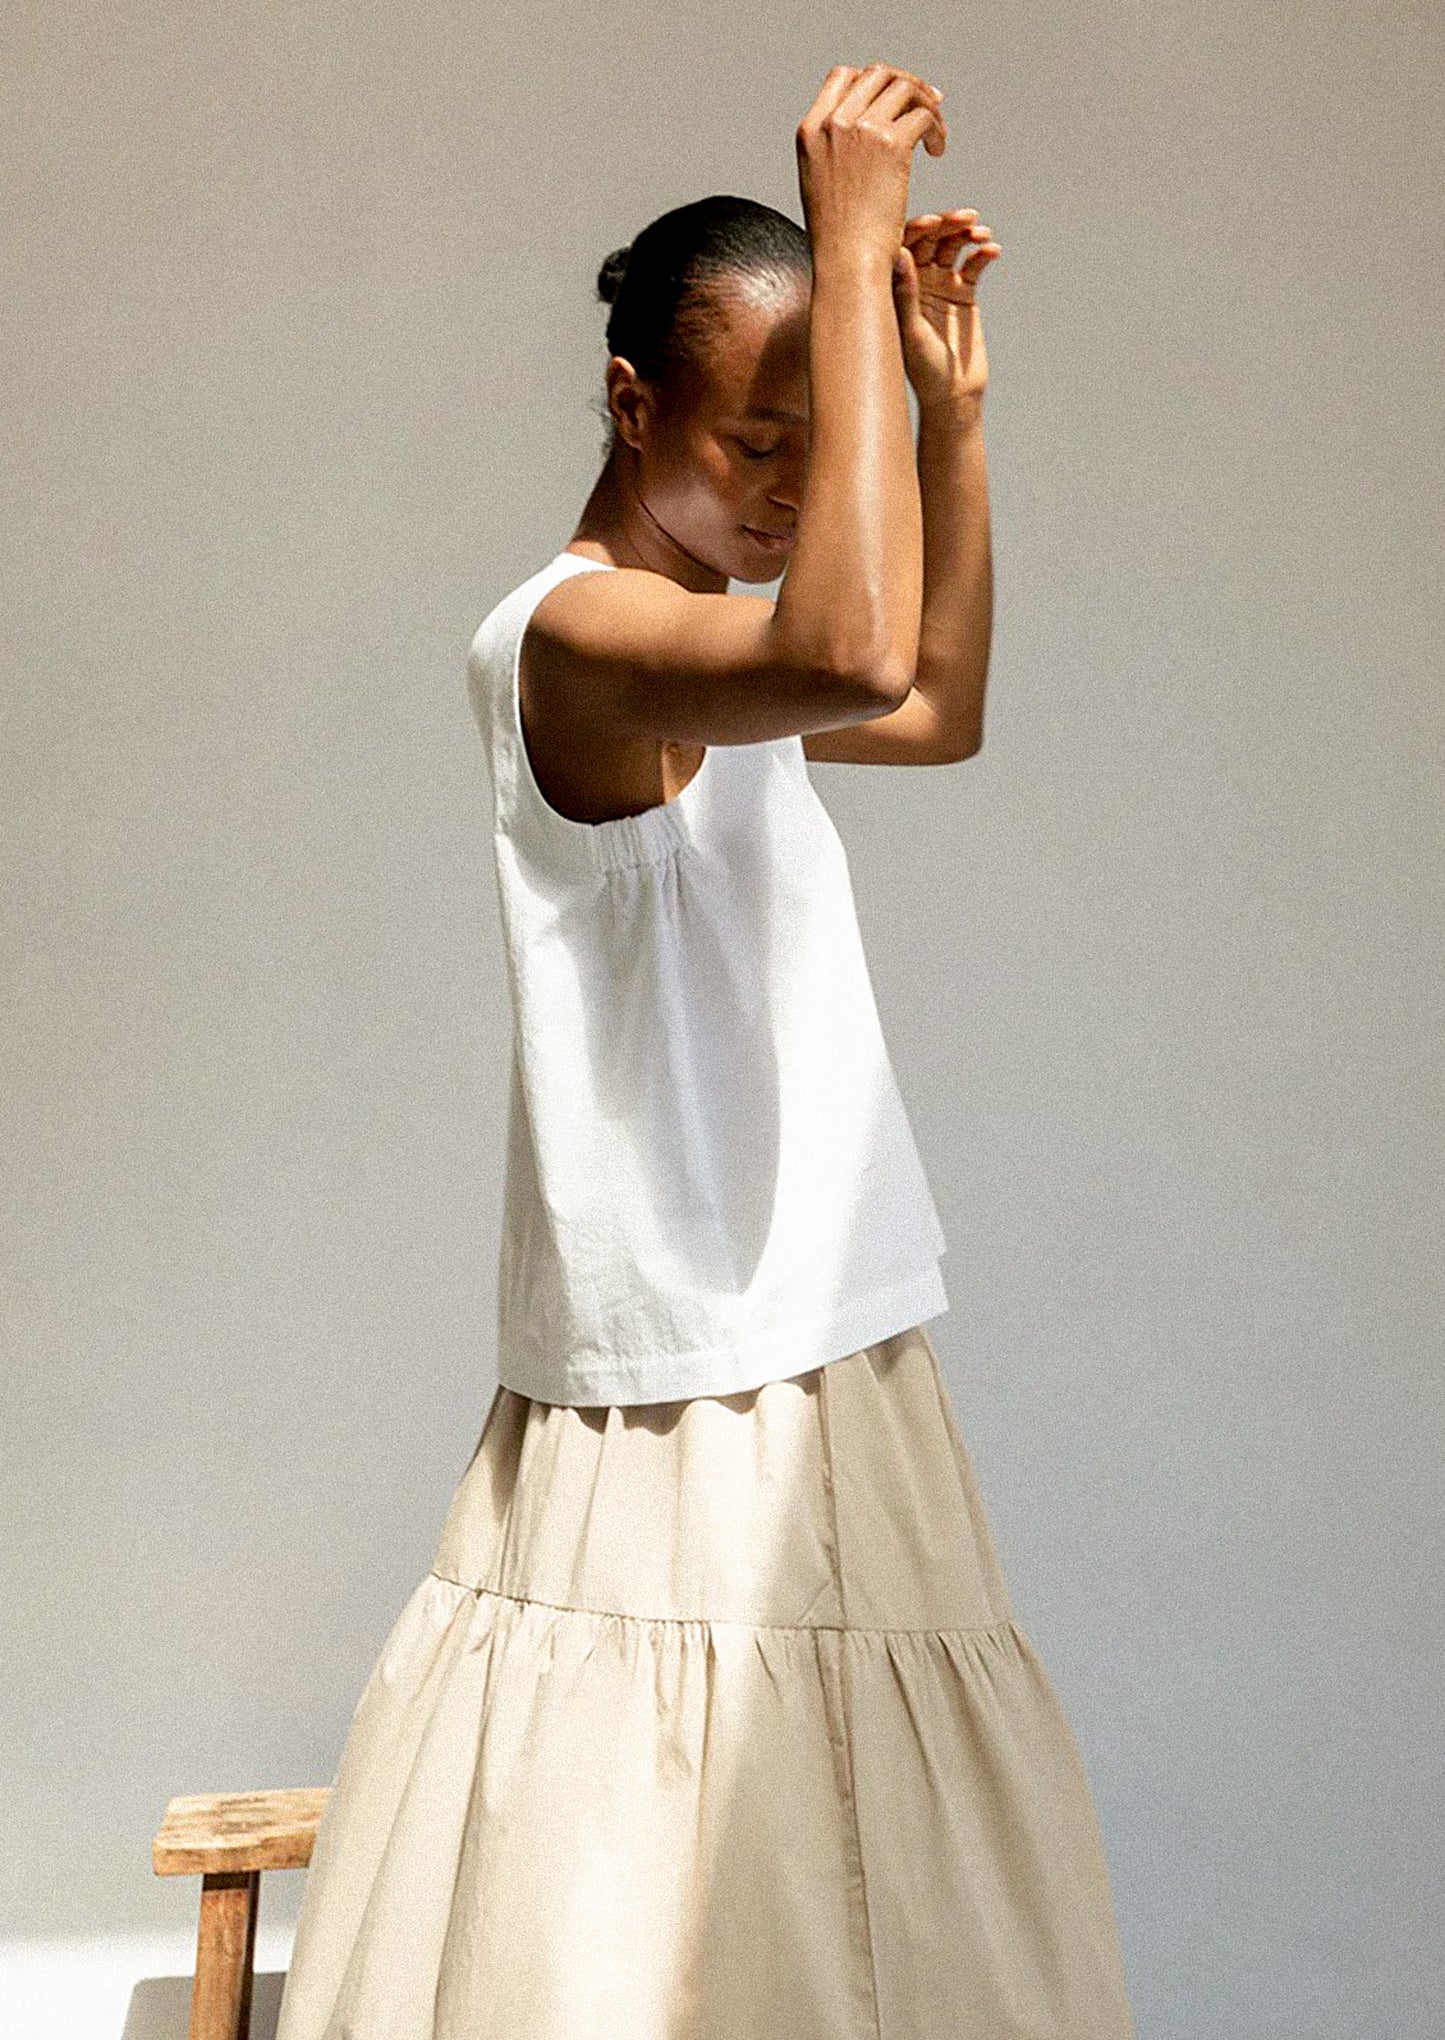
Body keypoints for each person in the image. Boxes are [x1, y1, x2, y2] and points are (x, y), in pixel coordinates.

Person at [275, 62, 1135, 2040]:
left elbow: (925, 704)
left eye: (814, 454)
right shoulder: (570, 644)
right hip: (684, 1367)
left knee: (842, 1868)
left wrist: (948, 409)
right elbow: (850, 648)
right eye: (761, 438)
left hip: (823, 1321)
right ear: (628, 399)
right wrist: (843, 249)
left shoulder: (715, 647)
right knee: (645, 1869)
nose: (786, 490)